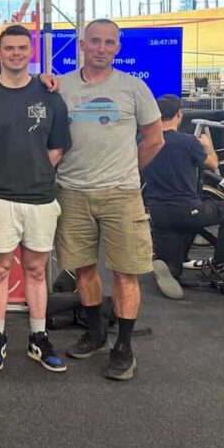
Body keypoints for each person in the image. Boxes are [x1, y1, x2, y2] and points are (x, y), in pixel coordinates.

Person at [0, 24, 71, 373]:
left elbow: (57, 148)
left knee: (37, 270)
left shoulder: (50, 95)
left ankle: (38, 337)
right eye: (9, 48)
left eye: (23, 48)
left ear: (30, 51)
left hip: (39, 197)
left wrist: (33, 172)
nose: (16, 54)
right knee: (0, 269)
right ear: (0, 53)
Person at [55, 19, 164, 381]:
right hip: (72, 192)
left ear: (118, 48)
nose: (102, 48)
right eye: (95, 41)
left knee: (125, 272)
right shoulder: (61, 87)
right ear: (82, 45)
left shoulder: (134, 88)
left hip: (122, 195)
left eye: (109, 43)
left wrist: (127, 173)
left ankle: (125, 347)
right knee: (83, 269)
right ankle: (96, 333)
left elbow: (154, 138)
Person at [143, 94, 224, 298]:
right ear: (179, 114)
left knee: (172, 265)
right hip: (188, 210)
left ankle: (170, 268)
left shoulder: (144, 141)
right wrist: (207, 145)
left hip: (159, 214)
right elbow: (213, 164)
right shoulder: (188, 143)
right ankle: (219, 265)